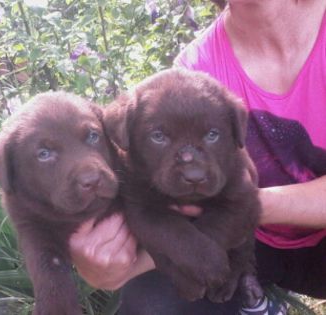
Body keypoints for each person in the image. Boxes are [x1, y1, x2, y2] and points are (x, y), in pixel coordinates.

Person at [69, 0, 326, 314]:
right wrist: (113, 265)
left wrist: (250, 204)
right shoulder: (195, 73)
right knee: (152, 305)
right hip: (244, 239)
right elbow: (172, 221)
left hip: (257, 221)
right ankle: (253, 298)